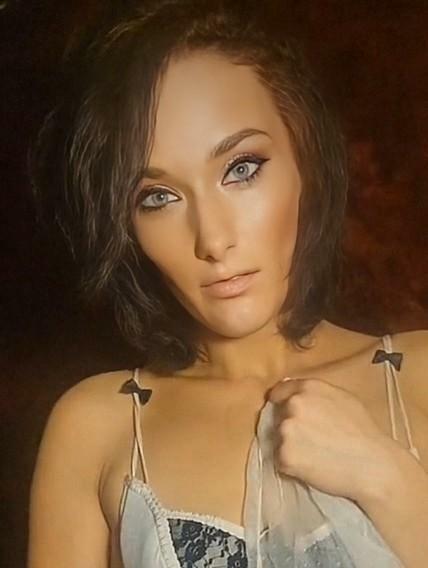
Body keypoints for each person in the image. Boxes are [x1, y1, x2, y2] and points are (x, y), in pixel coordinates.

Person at [28, 1, 428, 567]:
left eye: (241, 169)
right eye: (158, 197)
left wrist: (386, 480)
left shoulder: (419, 376)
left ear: (305, 158)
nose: (213, 240)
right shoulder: (96, 427)